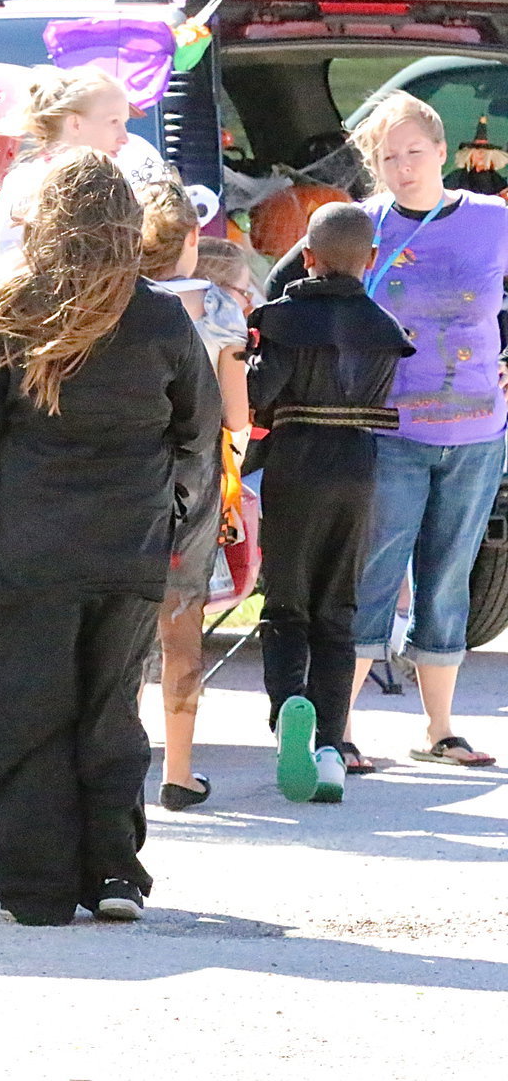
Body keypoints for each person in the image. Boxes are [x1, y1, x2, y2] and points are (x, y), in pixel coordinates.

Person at [0, 148, 220, 925]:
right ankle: (114, 871)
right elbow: (198, 424)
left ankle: (38, 881)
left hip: (34, 542)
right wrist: (177, 502)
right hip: (130, 542)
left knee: (29, 706)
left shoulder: (16, 307)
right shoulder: (160, 313)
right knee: (109, 706)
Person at [273, 93, 508, 770]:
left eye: (414, 151)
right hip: (385, 429)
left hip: (476, 430)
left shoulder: (491, 219)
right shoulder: (357, 224)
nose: (403, 167)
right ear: (374, 165)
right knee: (371, 574)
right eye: (388, 156)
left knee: (448, 578)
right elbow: (290, 292)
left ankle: (441, 728)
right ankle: (337, 732)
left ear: (442, 150)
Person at [248, 203, 414, 803]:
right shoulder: (385, 327)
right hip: (358, 466)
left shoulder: (287, 318)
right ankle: (330, 747)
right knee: (337, 610)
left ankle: (286, 711)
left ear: (308, 256)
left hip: (296, 464)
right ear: (370, 261)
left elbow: (258, 393)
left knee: (287, 603)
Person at [135, 179, 249, 811]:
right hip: (191, 488)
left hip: (123, 484)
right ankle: (178, 771)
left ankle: (115, 762)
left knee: (116, 635)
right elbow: (236, 417)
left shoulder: (108, 303)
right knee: (181, 633)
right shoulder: (215, 312)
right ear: (186, 242)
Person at [0, 66, 139, 259]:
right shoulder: (27, 187)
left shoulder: (119, 184)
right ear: (75, 124)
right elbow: (7, 269)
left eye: (124, 123)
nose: (124, 138)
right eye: (114, 122)